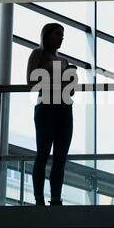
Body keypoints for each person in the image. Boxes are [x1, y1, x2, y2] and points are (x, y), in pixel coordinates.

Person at [26, 23, 75, 206]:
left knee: (60, 157)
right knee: (43, 154)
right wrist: (59, 80)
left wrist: (69, 79)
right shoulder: (38, 53)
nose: (61, 37)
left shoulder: (64, 61)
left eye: (62, 34)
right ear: (46, 35)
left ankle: (56, 198)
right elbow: (31, 79)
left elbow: (69, 91)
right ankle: (39, 198)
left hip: (64, 108)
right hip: (46, 107)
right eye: (57, 33)